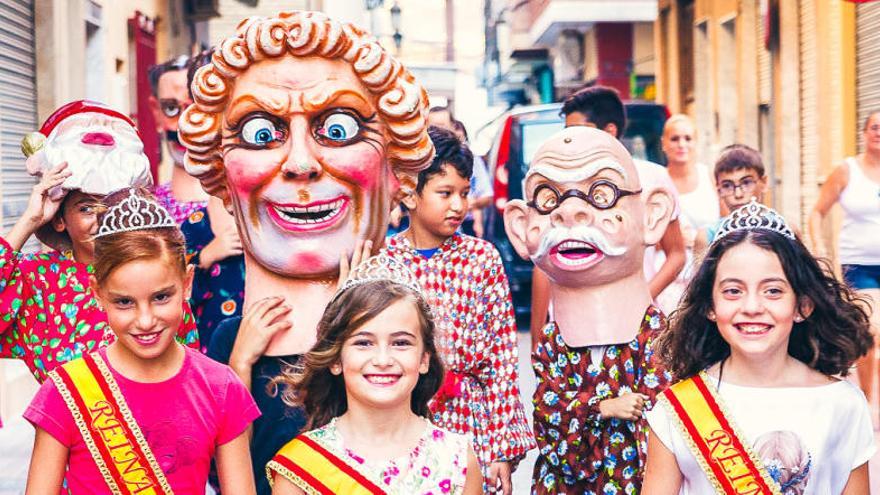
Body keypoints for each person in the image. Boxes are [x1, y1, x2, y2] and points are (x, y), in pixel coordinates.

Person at [178, 11, 434, 494]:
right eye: (260, 131)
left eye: (338, 128)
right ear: (222, 178)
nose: (299, 164)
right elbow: (222, 469)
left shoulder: (402, 325)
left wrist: (354, 313)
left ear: (396, 168)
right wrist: (240, 365)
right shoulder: (230, 343)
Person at [23, 188, 259, 494]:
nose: (145, 320)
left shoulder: (222, 387)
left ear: (187, 283)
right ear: (97, 293)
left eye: (161, 297)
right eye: (124, 302)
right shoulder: (65, 391)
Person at [643, 199, 875, 494]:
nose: (752, 306)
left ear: (802, 305)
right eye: (733, 291)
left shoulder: (842, 404)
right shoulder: (675, 410)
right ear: (710, 306)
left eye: (773, 291)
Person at [503, 126, 675, 493]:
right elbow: (547, 415)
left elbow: (664, 423)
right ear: (521, 227)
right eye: (549, 198)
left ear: (653, 217)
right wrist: (603, 407)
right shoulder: (552, 340)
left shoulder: (660, 339)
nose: (571, 211)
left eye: (602, 194)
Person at [382, 126, 536, 493]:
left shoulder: (482, 259)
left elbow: (502, 358)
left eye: (465, 193)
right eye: (445, 193)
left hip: (471, 420)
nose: (458, 205)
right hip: (403, 414)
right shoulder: (384, 261)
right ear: (409, 194)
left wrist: (501, 449)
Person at [0, 100, 198, 384]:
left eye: (111, 202)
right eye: (86, 207)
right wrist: (30, 220)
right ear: (60, 218)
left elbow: (188, 371)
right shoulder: (38, 280)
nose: (102, 217)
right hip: (64, 428)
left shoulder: (155, 271)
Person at [266, 254, 481, 494]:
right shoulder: (302, 466)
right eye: (364, 343)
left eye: (400, 343)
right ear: (336, 359)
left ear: (424, 359)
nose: (382, 360)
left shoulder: (457, 460)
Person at [528, 85, 686, 344]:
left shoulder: (651, 178)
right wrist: (538, 338)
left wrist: (642, 299)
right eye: (567, 132)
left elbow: (676, 254)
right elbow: (544, 262)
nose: (569, 140)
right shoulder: (555, 182)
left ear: (609, 131)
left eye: (578, 131)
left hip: (634, 328)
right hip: (570, 328)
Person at [808, 111, 880, 404]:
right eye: (875, 127)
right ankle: (865, 397)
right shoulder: (847, 171)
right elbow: (817, 212)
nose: (879, 133)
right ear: (864, 133)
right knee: (871, 331)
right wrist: (819, 247)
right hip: (859, 264)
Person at [655, 113, 721, 312]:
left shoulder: (709, 176)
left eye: (687, 138)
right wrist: (673, 239)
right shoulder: (656, 180)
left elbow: (727, 222)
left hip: (708, 271)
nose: (681, 144)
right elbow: (643, 234)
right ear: (664, 143)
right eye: (674, 139)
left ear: (696, 143)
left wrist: (702, 237)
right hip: (668, 280)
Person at [148, 55, 210, 223]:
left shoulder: (241, 204)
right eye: (170, 108)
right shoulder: (149, 211)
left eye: (196, 108)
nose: (184, 125)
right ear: (156, 111)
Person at [452, 119, 493, 238]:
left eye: (461, 140)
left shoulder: (474, 162)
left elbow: (486, 196)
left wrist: (473, 205)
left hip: (468, 223)